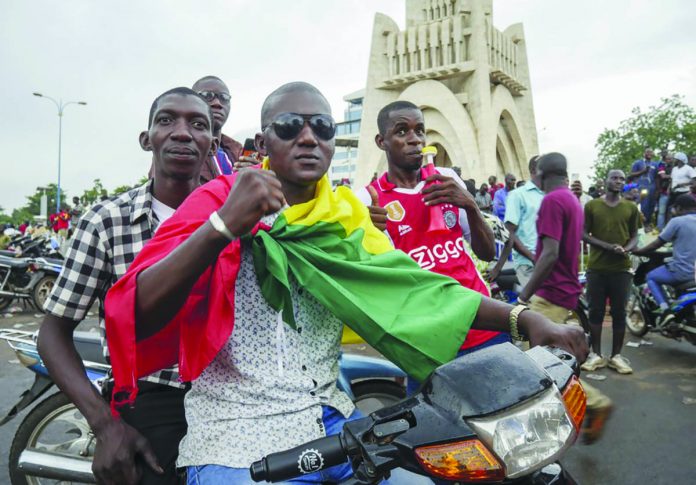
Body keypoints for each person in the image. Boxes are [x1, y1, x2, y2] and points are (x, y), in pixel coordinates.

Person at [104, 83, 587, 485]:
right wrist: (224, 225)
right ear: (264, 139)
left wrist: (525, 317)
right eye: (292, 126)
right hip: (234, 438)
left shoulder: (345, 215)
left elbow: (413, 288)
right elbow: (139, 309)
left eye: (324, 128)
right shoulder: (218, 199)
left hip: (334, 426)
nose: (309, 138)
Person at [37, 87, 218, 485]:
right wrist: (106, 425)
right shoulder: (105, 221)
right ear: (146, 138)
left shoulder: (236, 216)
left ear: (213, 142)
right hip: (150, 403)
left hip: (231, 403)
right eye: (167, 120)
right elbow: (53, 330)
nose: (183, 132)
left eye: (198, 124)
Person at [355, 100, 503, 394]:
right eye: (402, 131)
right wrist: (370, 236)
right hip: (429, 341)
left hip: (483, 326)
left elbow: (487, 253)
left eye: (420, 130)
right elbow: (373, 282)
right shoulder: (368, 199)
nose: (415, 139)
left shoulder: (446, 179)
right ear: (381, 141)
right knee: (445, 435)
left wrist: (471, 207)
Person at [515, 152, 612, 444]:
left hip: (551, 293)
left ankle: (592, 402)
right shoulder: (571, 199)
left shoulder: (552, 201)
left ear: (542, 174)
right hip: (565, 289)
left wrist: (524, 294)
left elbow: (550, 253)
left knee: (532, 360)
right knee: (543, 357)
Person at [582, 169, 641, 375]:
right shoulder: (592, 205)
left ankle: (616, 356)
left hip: (621, 269)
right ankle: (596, 354)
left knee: (619, 312)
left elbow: (635, 236)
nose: (618, 181)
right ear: (605, 181)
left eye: (622, 179)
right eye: (614, 178)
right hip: (597, 268)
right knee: (595, 312)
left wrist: (627, 248)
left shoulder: (631, 207)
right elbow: (583, 233)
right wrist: (607, 246)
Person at [633, 194, 696, 313]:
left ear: (679, 208)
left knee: (651, 277)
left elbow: (657, 244)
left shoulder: (677, 221)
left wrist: (639, 251)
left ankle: (665, 310)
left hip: (682, 272)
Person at [489, 156, 543, 289]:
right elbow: (509, 233)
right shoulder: (518, 195)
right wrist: (533, 257)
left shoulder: (550, 195)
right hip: (528, 264)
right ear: (532, 170)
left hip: (548, 262)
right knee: (537, 307)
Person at [629, 148, 658, 229]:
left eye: (651, 152)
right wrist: (643, 171)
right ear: (643, 153)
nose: (649, 153)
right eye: (647, 152)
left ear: (653, 154)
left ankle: (648, 223)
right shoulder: (638, 163)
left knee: (651, 206)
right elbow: (631, 174)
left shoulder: (655, 164)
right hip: (641, 187)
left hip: (652, 187)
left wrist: (657, 189)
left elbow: (656, 177)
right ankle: (643, 224)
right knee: (643, 205)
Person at [655, 153, 673, 230]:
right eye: (668, 159)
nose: (670, 160)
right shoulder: (661, 166)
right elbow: (663, 176)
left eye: (671, 158)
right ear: (665, 159)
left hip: (674, 193)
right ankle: (660, 228)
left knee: (671, 212)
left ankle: (669, 229)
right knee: (661, 212)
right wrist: (672, 176)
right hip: (663, 192)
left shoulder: (675, 167)